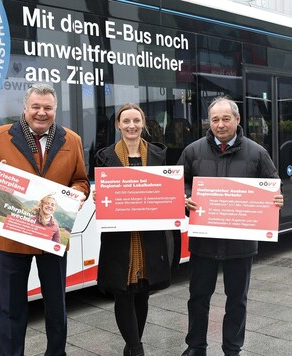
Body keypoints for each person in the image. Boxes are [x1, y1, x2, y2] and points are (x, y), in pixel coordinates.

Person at [0, 82, 89, 356]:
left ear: (55, 109)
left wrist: (78, 195)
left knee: (57, 306)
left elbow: (81, 181)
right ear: (25, 108)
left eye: (47, 108)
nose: (41, 112)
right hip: (13, 236)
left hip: (53, 236)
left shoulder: (71, 139)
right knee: (11, 307)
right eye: (35, 107)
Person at [178, 97, 284, 356]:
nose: (220, 124)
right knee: (198, 298)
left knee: (237, 300)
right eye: (215, 119)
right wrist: (185, 197)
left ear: (237, 120)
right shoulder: (192, 151)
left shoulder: (257, 152)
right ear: (209, 122)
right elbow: (180, 185)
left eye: (226, 119)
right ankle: (195, 346)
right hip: (204, 241)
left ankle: (232, 349)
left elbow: (273, 186)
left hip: (241, 242)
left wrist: (279, 198)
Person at [94, 103, 172, 356]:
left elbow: (167, 193)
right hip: (120, 238)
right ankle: (137, 349)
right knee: (122, 293)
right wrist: (98, 196)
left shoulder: (159, 155)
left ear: (143, 123)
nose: (131, 126)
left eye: (136, 121)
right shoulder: (104, 156)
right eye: (125, 121)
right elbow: (101, 192)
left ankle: (132, 346)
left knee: (142, 293)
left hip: (149, 237)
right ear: (118, 124)